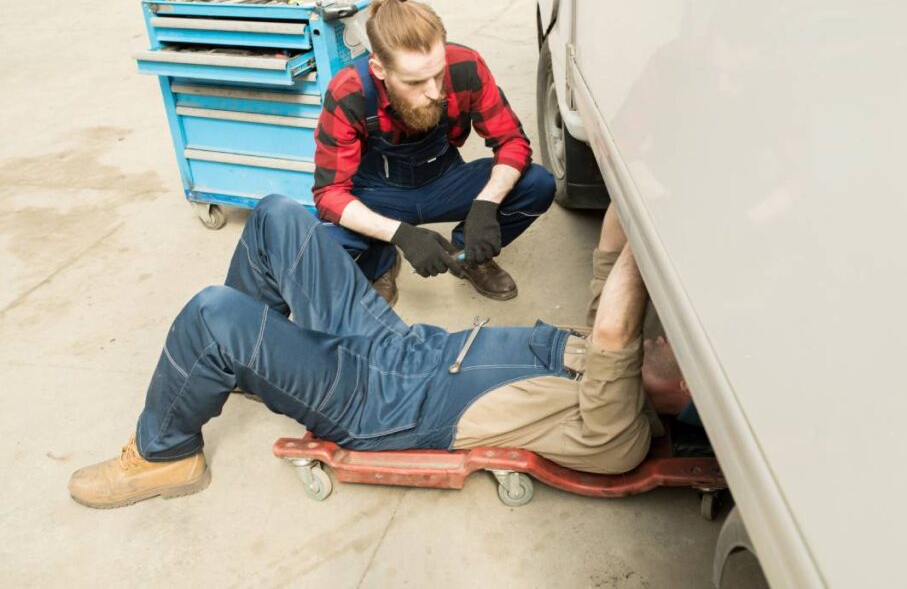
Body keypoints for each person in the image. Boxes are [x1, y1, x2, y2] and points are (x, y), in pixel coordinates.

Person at [67, 195, 690, 509]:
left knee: (211, 313)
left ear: (688, 398)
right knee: (278, 216)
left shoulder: (620, 429)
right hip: (397, 347)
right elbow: (613, 251)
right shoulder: (617, 354)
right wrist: (644, 185)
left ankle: (164, 454)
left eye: (685, 357)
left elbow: (615, 334)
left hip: (380, 404)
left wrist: (653, 239)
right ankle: (236, 360)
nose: (664, 336)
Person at [312, 0, 556, 304]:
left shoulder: (466, 66)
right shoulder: (349, 92)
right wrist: (400, 235)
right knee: (323, 237)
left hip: (446, 181)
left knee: (537, 184)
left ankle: (468, 255)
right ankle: (380, 262)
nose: (433, 91)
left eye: (438, 74)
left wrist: (486, 206)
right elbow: (329, 194)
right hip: (379, 193)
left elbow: (511, 141)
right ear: (379, 69)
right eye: (415, 81)